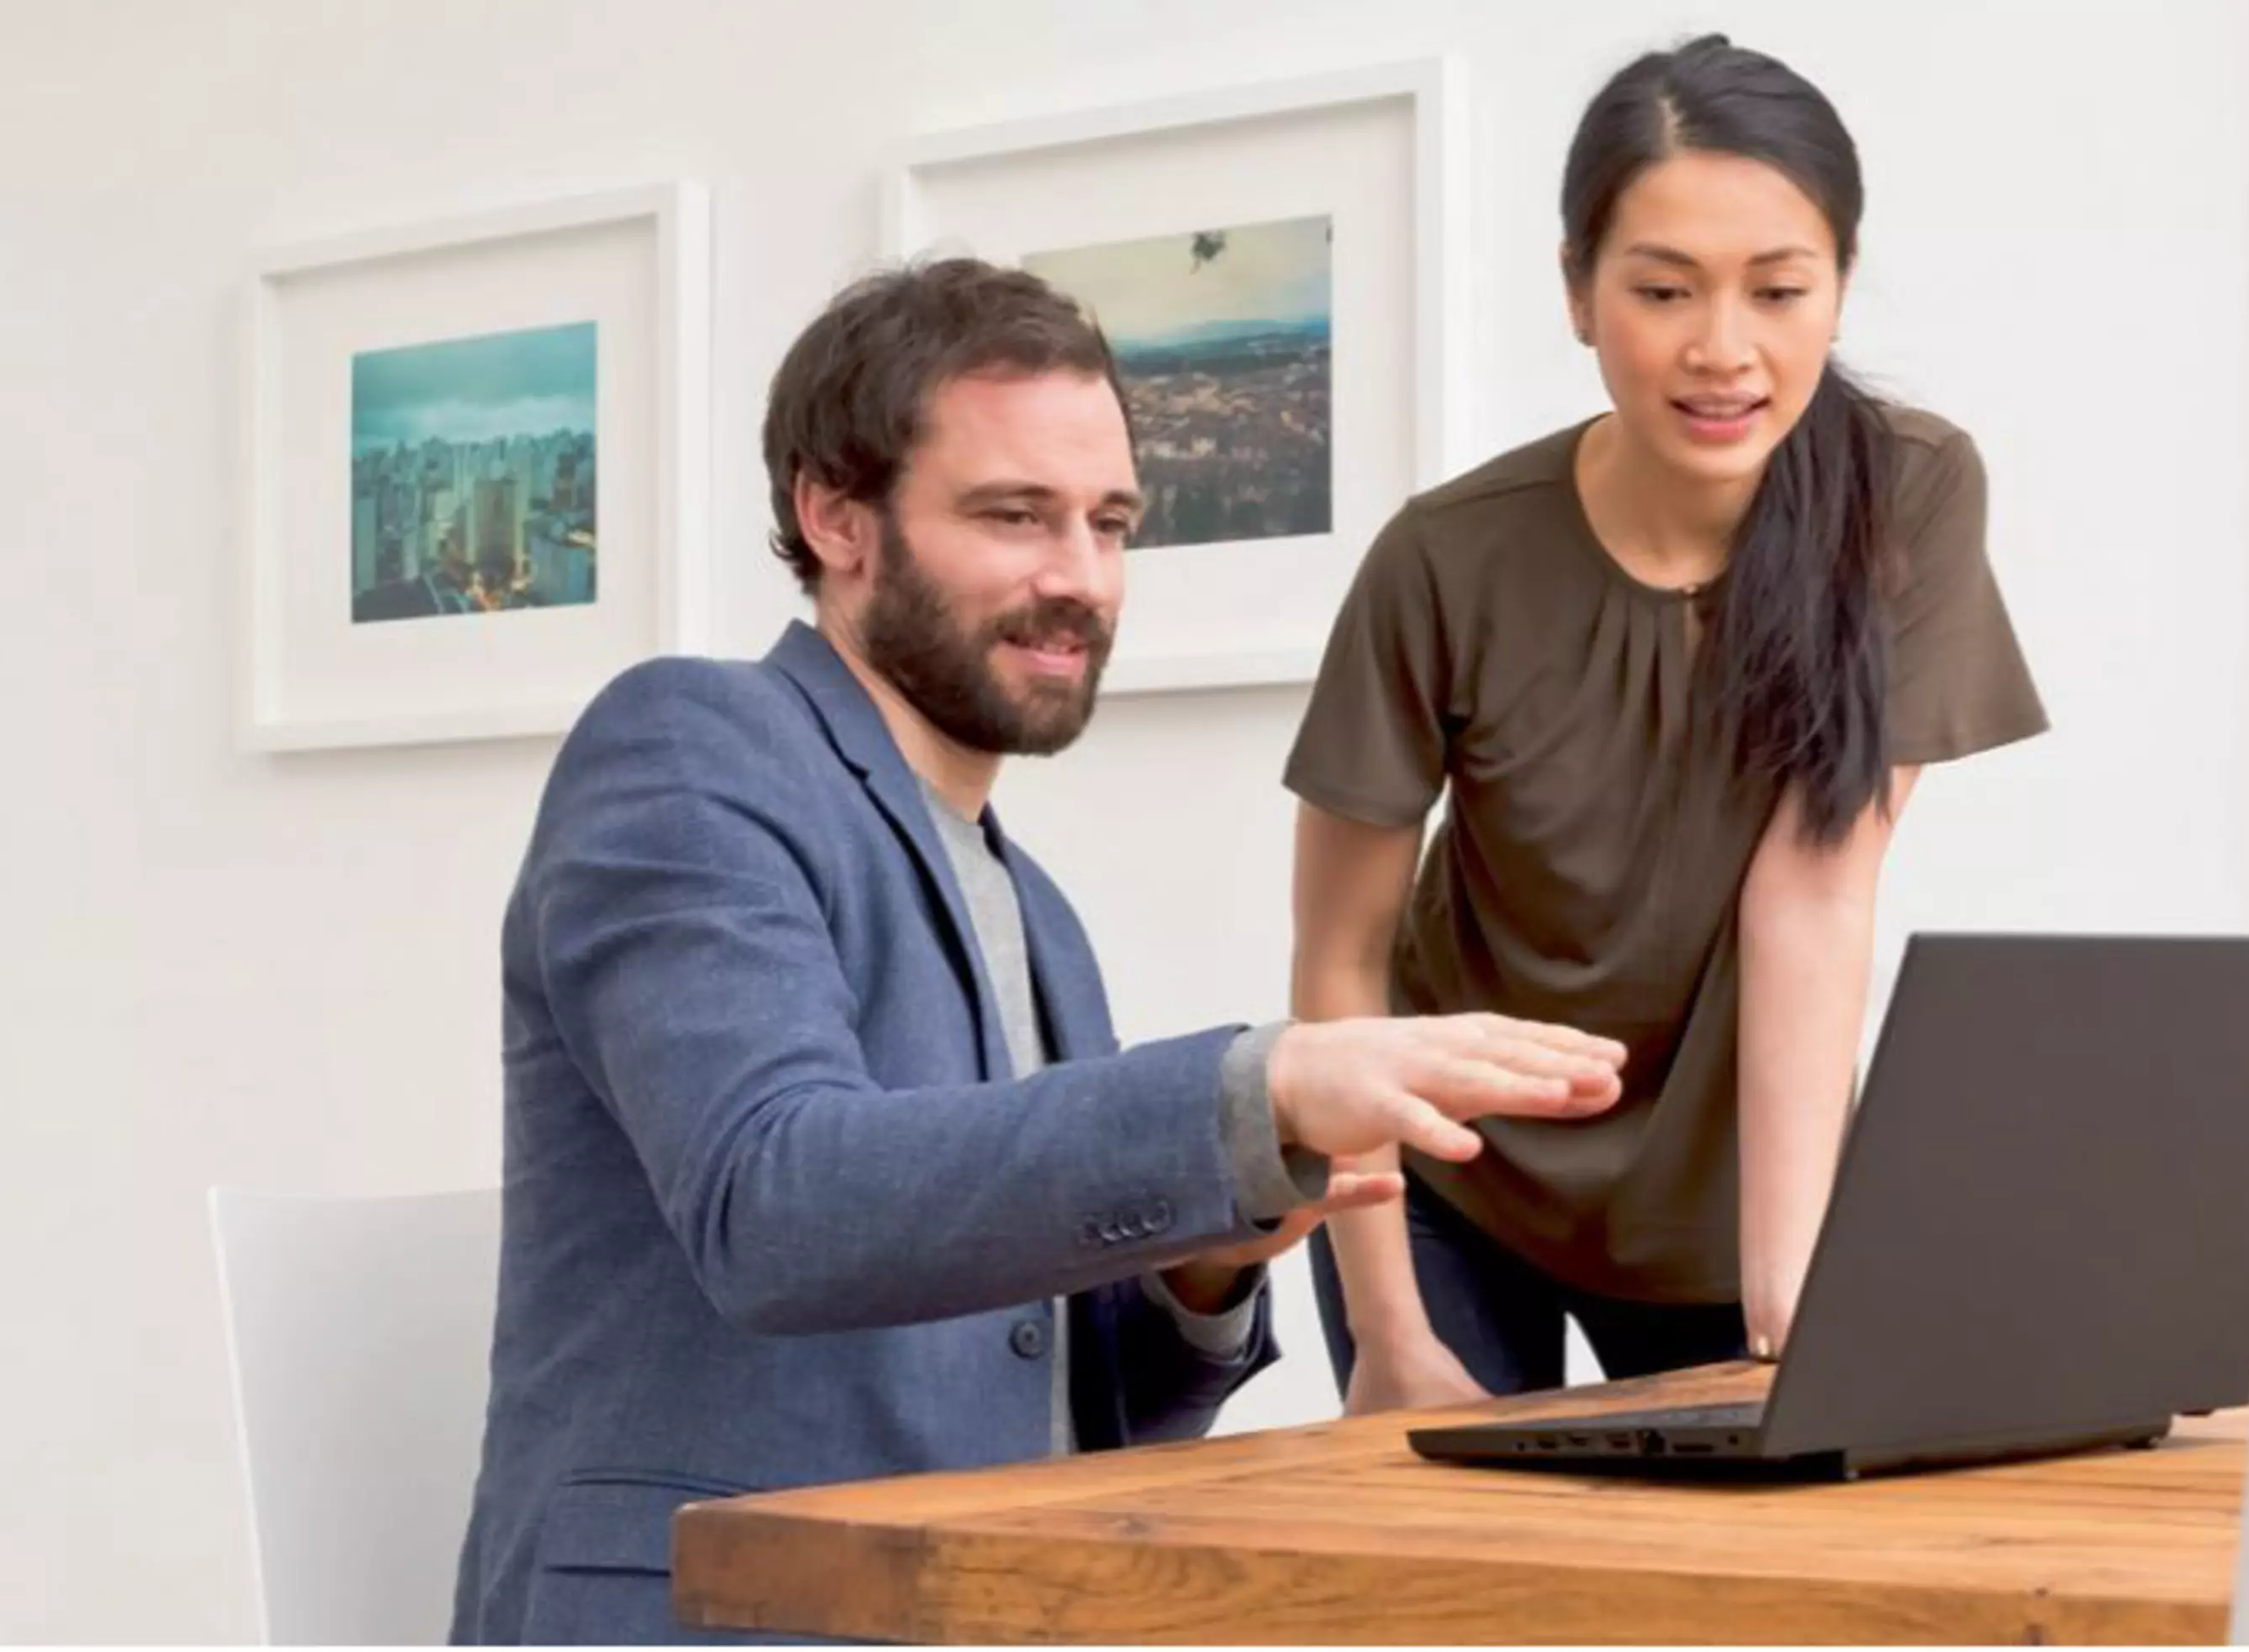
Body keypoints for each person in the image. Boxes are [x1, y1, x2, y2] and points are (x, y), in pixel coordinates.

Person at [450, 258, 1627, 1644]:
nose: (1079, 578)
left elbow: (1077, 1406)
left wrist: (1207, 1268)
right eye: (1016, 516)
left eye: (1110, 524)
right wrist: (1259, 1087)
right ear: (837, 516)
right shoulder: (691, 750)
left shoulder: (1038, 909)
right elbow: (776, 1206)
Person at [1286, 34, 2049, 1414]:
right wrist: (1389, 1330)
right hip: (1458, 1182)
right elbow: (1341, 960)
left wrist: (1791, 1300)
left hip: (1742, 1181)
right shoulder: (1446, 560)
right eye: (1661, 289)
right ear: (1578, 294)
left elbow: (1814, 898)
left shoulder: (1907, 499)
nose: (1723, 350)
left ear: (1839, 287)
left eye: (1777, 289)